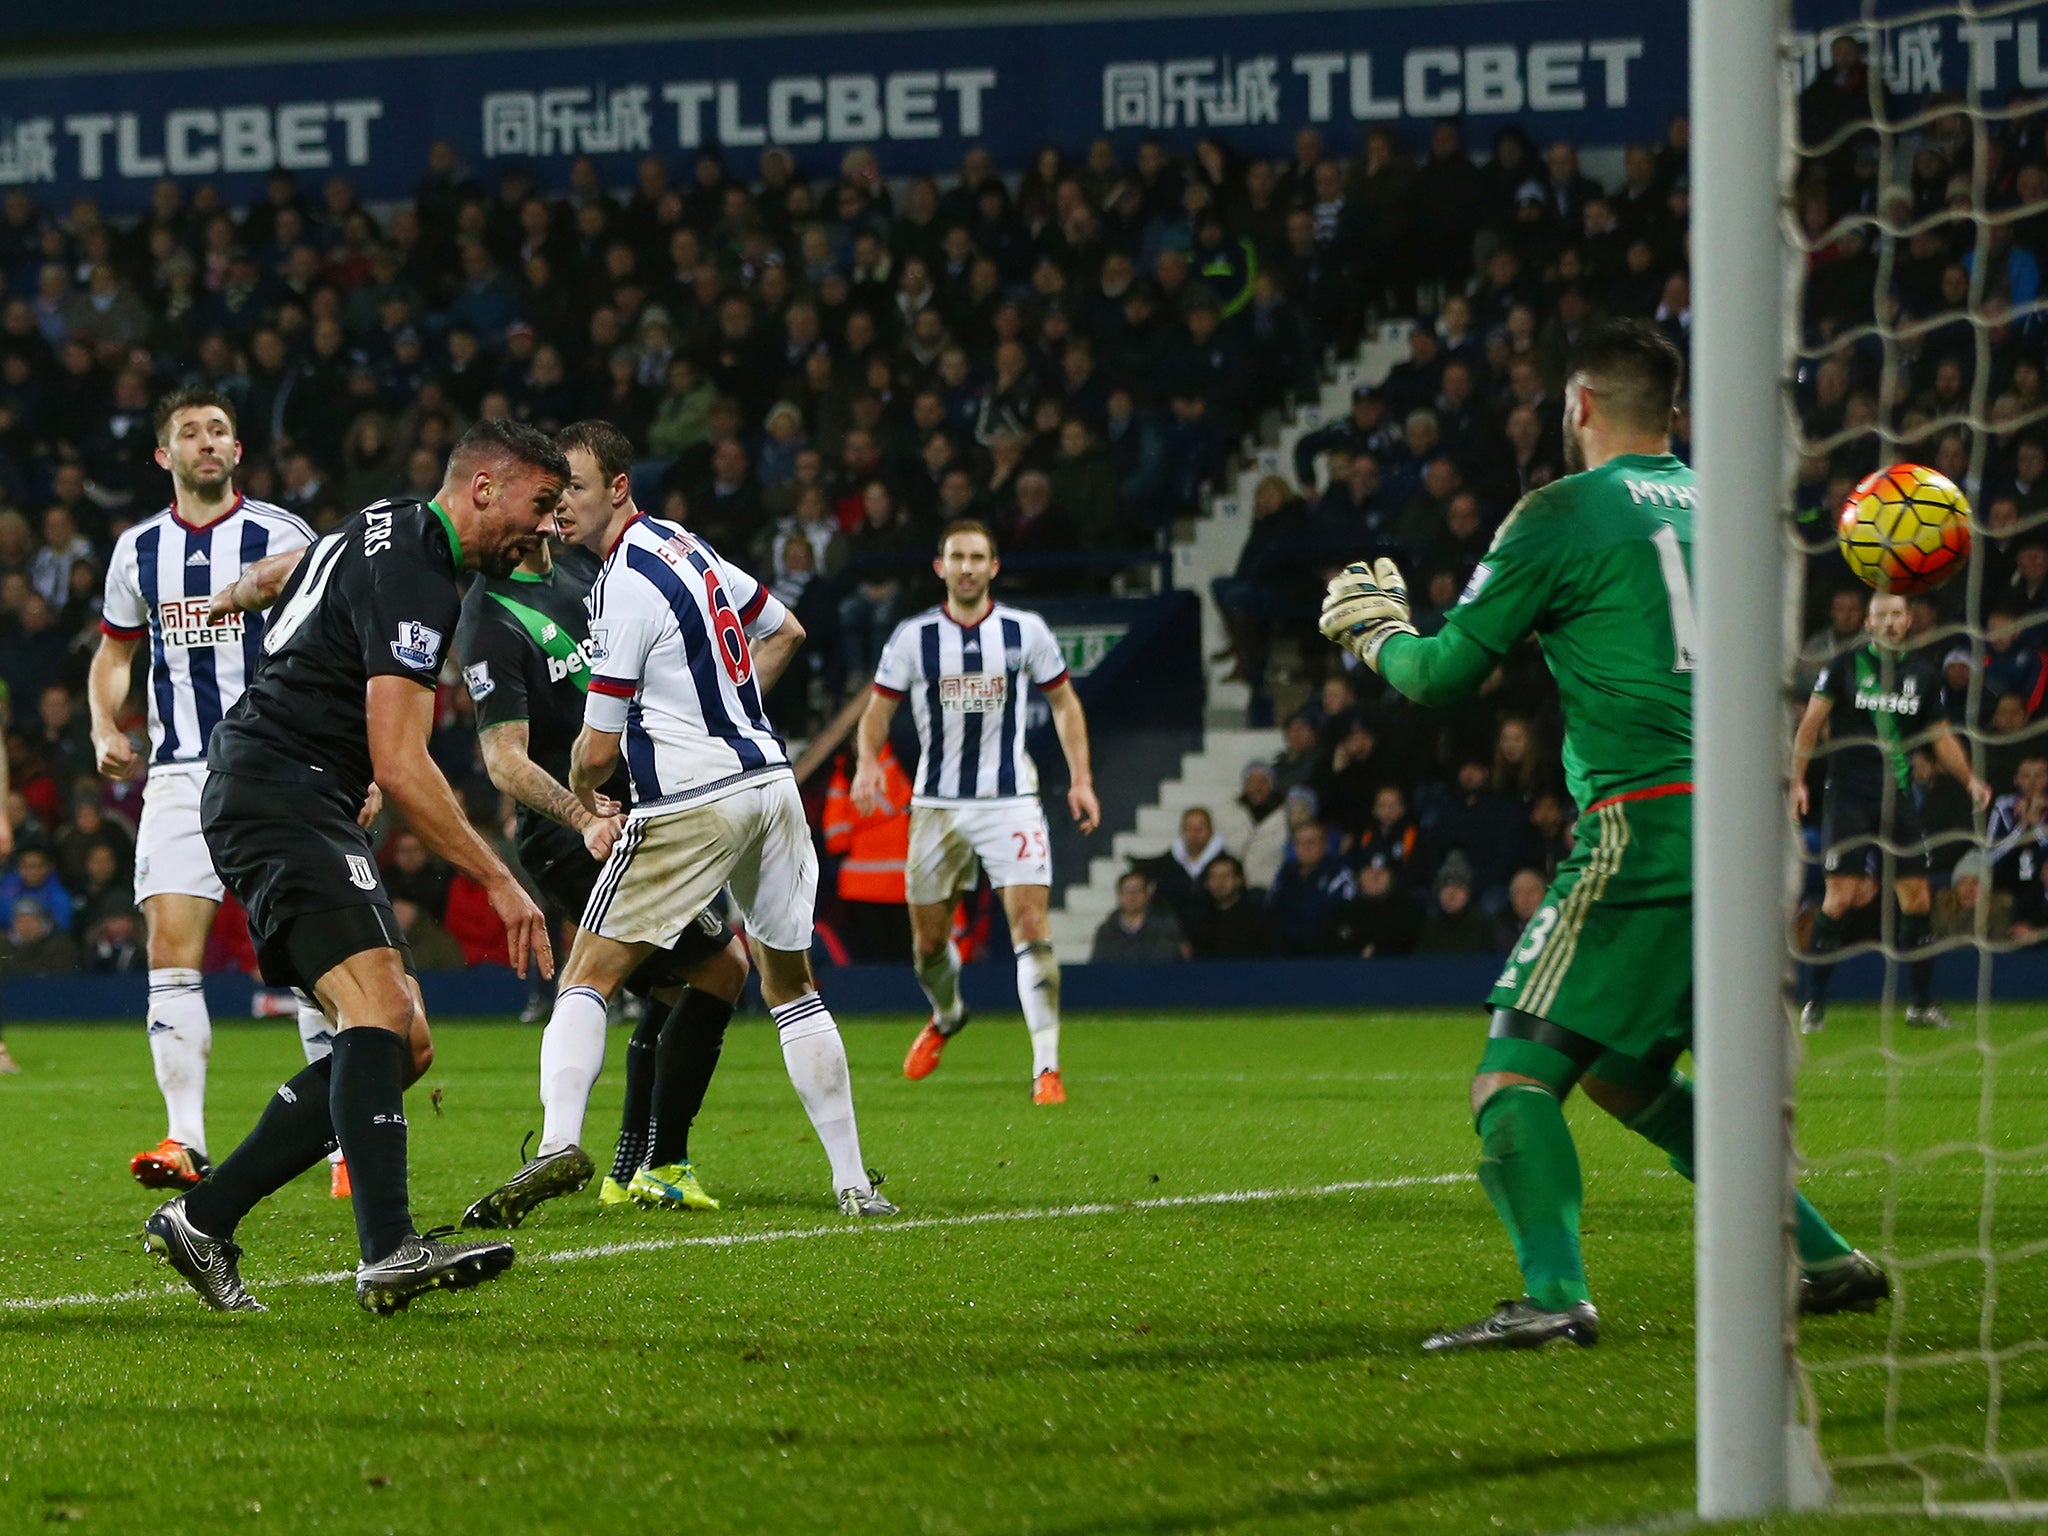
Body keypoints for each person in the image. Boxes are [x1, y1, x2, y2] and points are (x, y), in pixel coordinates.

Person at [1319, 319, 1886, 1351]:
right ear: (1668, 410)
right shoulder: (1733, 508)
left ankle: (1552, 1296)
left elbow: (1442, 675)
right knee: (1624, 1073)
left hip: (1646, 823)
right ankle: (1819, 1255)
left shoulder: (1561, 512)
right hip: (1749, 827)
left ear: (1577, 405)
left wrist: (1375, 633)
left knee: (1510, 1077)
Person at [143, 417, 564, 1316]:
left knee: (402, 1039)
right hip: (280, 793)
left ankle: (203, 1220)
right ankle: (388, 1250)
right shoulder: (419, 571)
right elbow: (406, 762)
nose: (548, 529)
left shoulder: (385, 521)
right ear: (484, 487)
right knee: (375, 1008)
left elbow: (290, 577)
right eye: (540, 505)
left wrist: (246, 591)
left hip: (290, 789)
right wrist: (499, 879)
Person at [478, 421, 896, 1222]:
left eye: (576, 486)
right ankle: (851, 1183)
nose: (562, 505)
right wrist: (724, 715)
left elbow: (598, 750)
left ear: (619, 487)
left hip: (691, 802)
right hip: (769, 785)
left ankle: (560, 1145)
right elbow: (786, 630)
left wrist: (582, 785)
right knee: (790, 986)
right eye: (555, 489)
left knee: (587, 977)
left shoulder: (621, 582)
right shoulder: (685, 545)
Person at [453, 420, 750, 1221]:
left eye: (557, 498)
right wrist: (581, 810)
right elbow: (503, 761)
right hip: (570, 834)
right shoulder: (488, 619)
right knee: (717, 970)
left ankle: (634, 1163)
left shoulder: (586, 573)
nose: (551, 513)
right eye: (541, 499)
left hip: (644, 814)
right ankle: (623, 1154)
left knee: (674, 982)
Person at [86, 387, 343, 1195]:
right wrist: (104, 724)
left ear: (237, 451)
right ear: (164, 456)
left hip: (279, 764)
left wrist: (350, 761)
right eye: (190, 433)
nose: (206, 443)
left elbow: (333, 650)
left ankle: (340, 1148)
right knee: (170, 946)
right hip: (178, 771)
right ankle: (186, 1141)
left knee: (313, 959)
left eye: (219, 431)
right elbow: (114, 654)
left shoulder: (282, 537)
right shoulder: (137, 551)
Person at [854, 518, 1102, 1105]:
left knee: (1032, 926)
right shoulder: (914, 638)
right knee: (928, 945)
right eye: (957, 557)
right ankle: (947, 1014)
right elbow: (876, 712)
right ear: (940, 568)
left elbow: (1065, 705)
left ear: (994, 567)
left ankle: (1047, 1067)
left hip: (1010, 800)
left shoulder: (1026, 630)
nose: (967, 567)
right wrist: (868, 762)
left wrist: (1081, 779)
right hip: (936, 805)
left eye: (978, 557)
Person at [1791, 590, 1990, 1033]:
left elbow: (1940, 737)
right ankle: (1813, 1004)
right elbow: (1810, 725)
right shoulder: (1844, 666)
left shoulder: (1922, 674)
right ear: (1868, 623)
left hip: (1898, 798)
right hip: (1847, 797)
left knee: (1916, 899)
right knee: (1839, 899)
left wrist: (1970, 778)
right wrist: (1798, 781)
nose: (1891, 622)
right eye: (1882, 615)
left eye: (1898, 614)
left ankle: (1921, 1005)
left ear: (1908, 621)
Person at [1091, 870, 1186, 963]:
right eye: (1127, 891)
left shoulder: (1165, 928)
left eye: (1138, 890)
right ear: (1119, 896)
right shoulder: (1106, 932)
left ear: (1147, 895)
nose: (1132, 896)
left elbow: (1167, 962)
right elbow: (1098, 968)